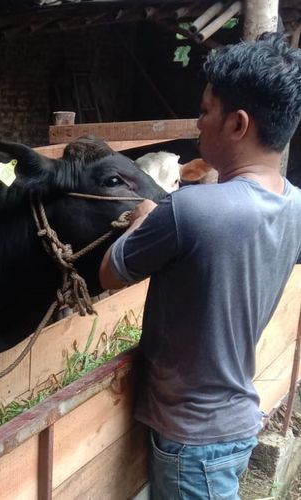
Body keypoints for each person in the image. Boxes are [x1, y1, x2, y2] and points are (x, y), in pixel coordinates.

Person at [99, 32, 301, 499]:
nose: (198, 122)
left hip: (193, 440)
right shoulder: (293, 206)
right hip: (234, 419)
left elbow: (110, 273)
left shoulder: (189, 210)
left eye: (206, 110)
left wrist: (145, 217)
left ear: (238, 124)